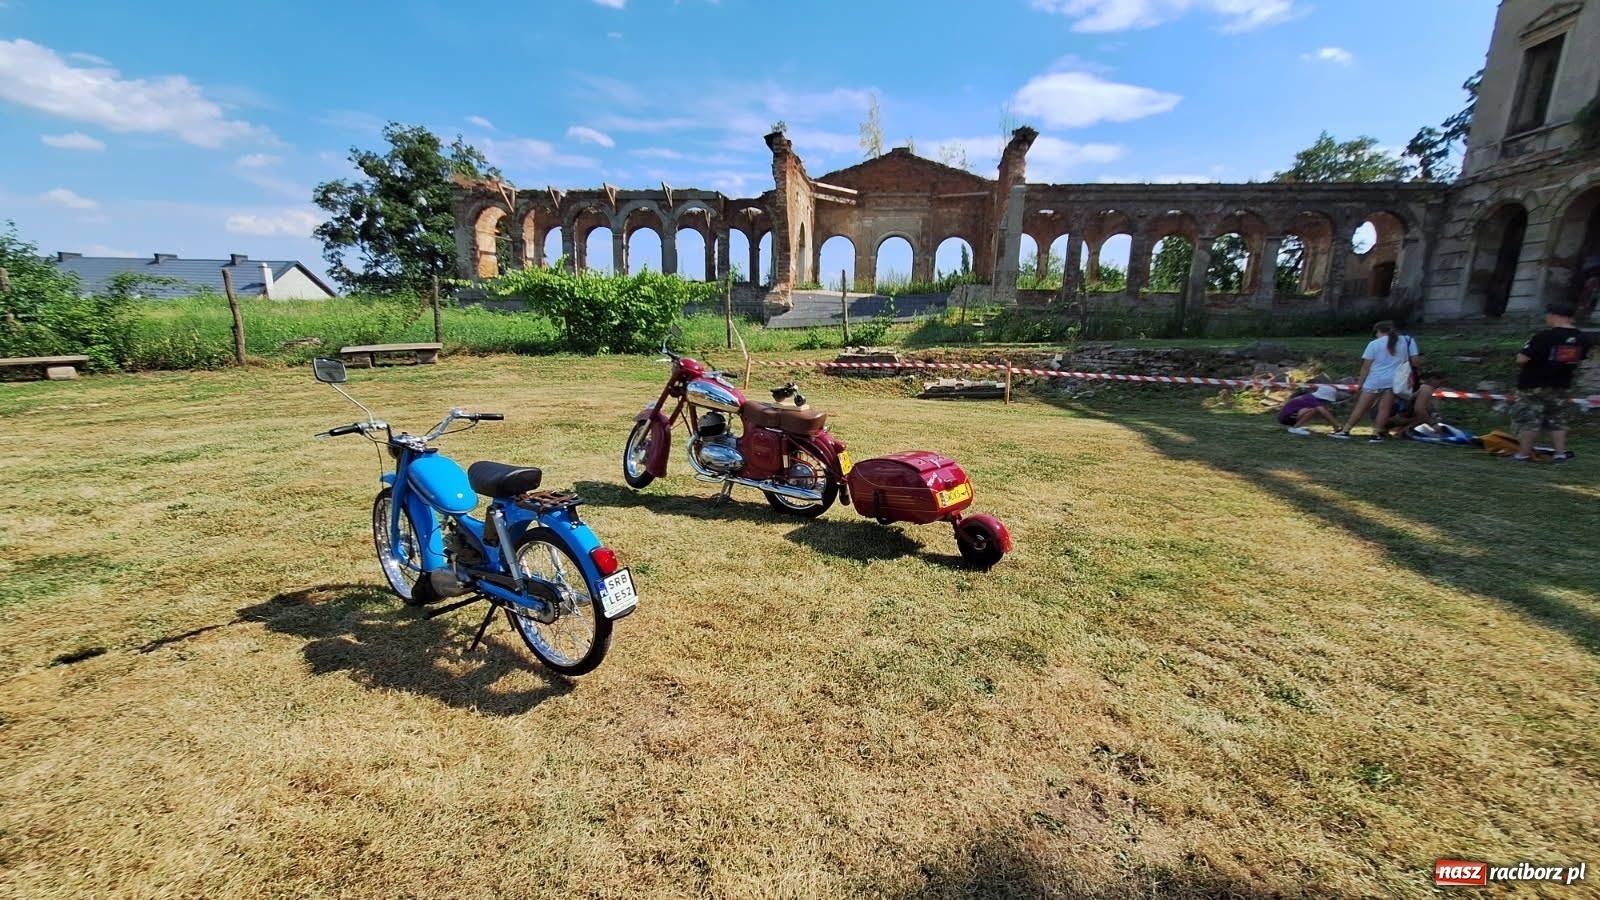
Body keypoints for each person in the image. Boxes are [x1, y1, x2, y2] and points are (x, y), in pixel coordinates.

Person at [1507, 302, 1595, 463]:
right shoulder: (1583, 338)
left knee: (1529, 419)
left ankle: (1523, 454)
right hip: (1561, 384)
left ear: (1553, 315)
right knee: (1558, 419)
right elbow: (1579, 358)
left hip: (1534, 384)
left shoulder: (1544, 336)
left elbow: (1522, 358)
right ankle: (1560, 453)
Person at [1330, 321, 1420, 443]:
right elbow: (1415, 361)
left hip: (1375, 380)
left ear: (1379, 331)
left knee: (1361, 407)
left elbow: (1366, 366)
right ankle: (1377, 434)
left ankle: (1346, 430)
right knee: (1384, 408)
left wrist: (1360, 383)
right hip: (1395, 380)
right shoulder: (1408, 340)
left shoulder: (1374, 344)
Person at [1385, 371, 1444, 436]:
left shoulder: (1418, 386)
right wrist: (1433, 424)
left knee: (1430, 415)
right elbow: (1419, 409)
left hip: (1388, 415)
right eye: (1441, 382)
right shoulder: (1426, 388)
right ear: (1432, 379)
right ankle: (1404, 431)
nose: (1440, 385)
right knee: (1426, 416)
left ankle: (1401, 430)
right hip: (1395, 417)